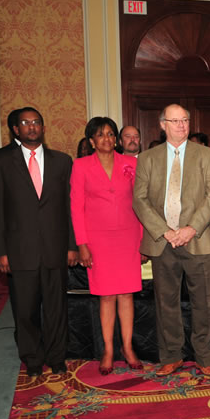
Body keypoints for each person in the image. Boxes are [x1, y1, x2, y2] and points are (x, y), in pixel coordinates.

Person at [132, 104, 210, 377]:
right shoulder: (147, 158)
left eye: (185, 120)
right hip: (163, 242)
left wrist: (190, 229)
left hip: (199, 239)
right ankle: (171, 355)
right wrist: (165, 231)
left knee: (203, 302)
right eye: (175, 121)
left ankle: (204, 357)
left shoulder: (206, 155)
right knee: (166, 302)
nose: (182, 125)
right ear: (162, 125)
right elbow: (140, 199)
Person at [0, 107, 78, 377]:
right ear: (16, 129)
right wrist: (1, 252)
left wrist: (72, 245)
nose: (31, 127)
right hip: (20, 251)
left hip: (56, 247)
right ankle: (33, 359)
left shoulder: (62, 161)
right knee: (25, 310)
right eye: (25, 123)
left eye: (36, 122)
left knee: (56, 308)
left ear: (43, 127)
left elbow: (69, 208)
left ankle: (57, 356)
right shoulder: (1, 160)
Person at [71, 117, 143, 375]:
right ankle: (108, 350)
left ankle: (128, 347)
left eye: (111, 134)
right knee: (106, 295)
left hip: (128, 236)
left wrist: (143, 239)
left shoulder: (131, 163)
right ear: (91, 141)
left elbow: (141, 203)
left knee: (126, 294)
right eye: (100, 135)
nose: (107, 139)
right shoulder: (80, 166)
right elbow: (76, 208)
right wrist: (82, 244)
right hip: (98, 240)